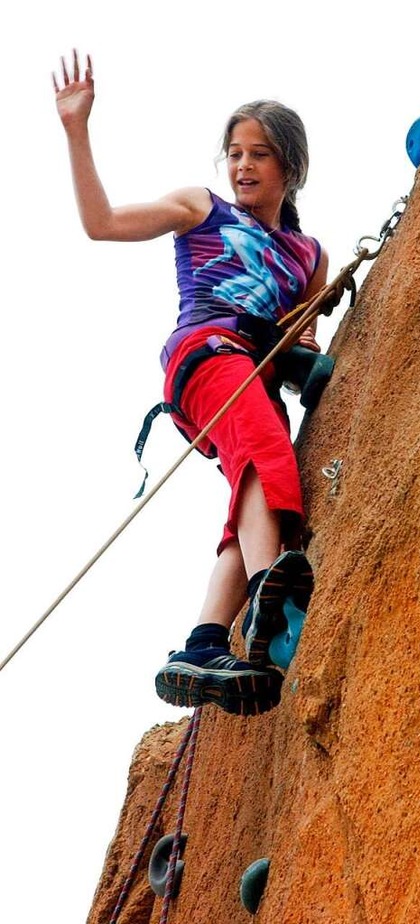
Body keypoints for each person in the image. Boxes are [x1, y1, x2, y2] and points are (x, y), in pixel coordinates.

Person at [53, 50, 329, 715]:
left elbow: (307, 352)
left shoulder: (310, 257)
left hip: (253, 373)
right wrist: (75, 130)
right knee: (265, 453)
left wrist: (303, 355)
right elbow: (103, 225)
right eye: (234, 152)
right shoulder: (202, 208)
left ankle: (204, 642)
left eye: (258, 154)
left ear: (289, 166)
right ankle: (270, 591)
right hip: (206, 354)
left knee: (254, 486)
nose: (241, 166)